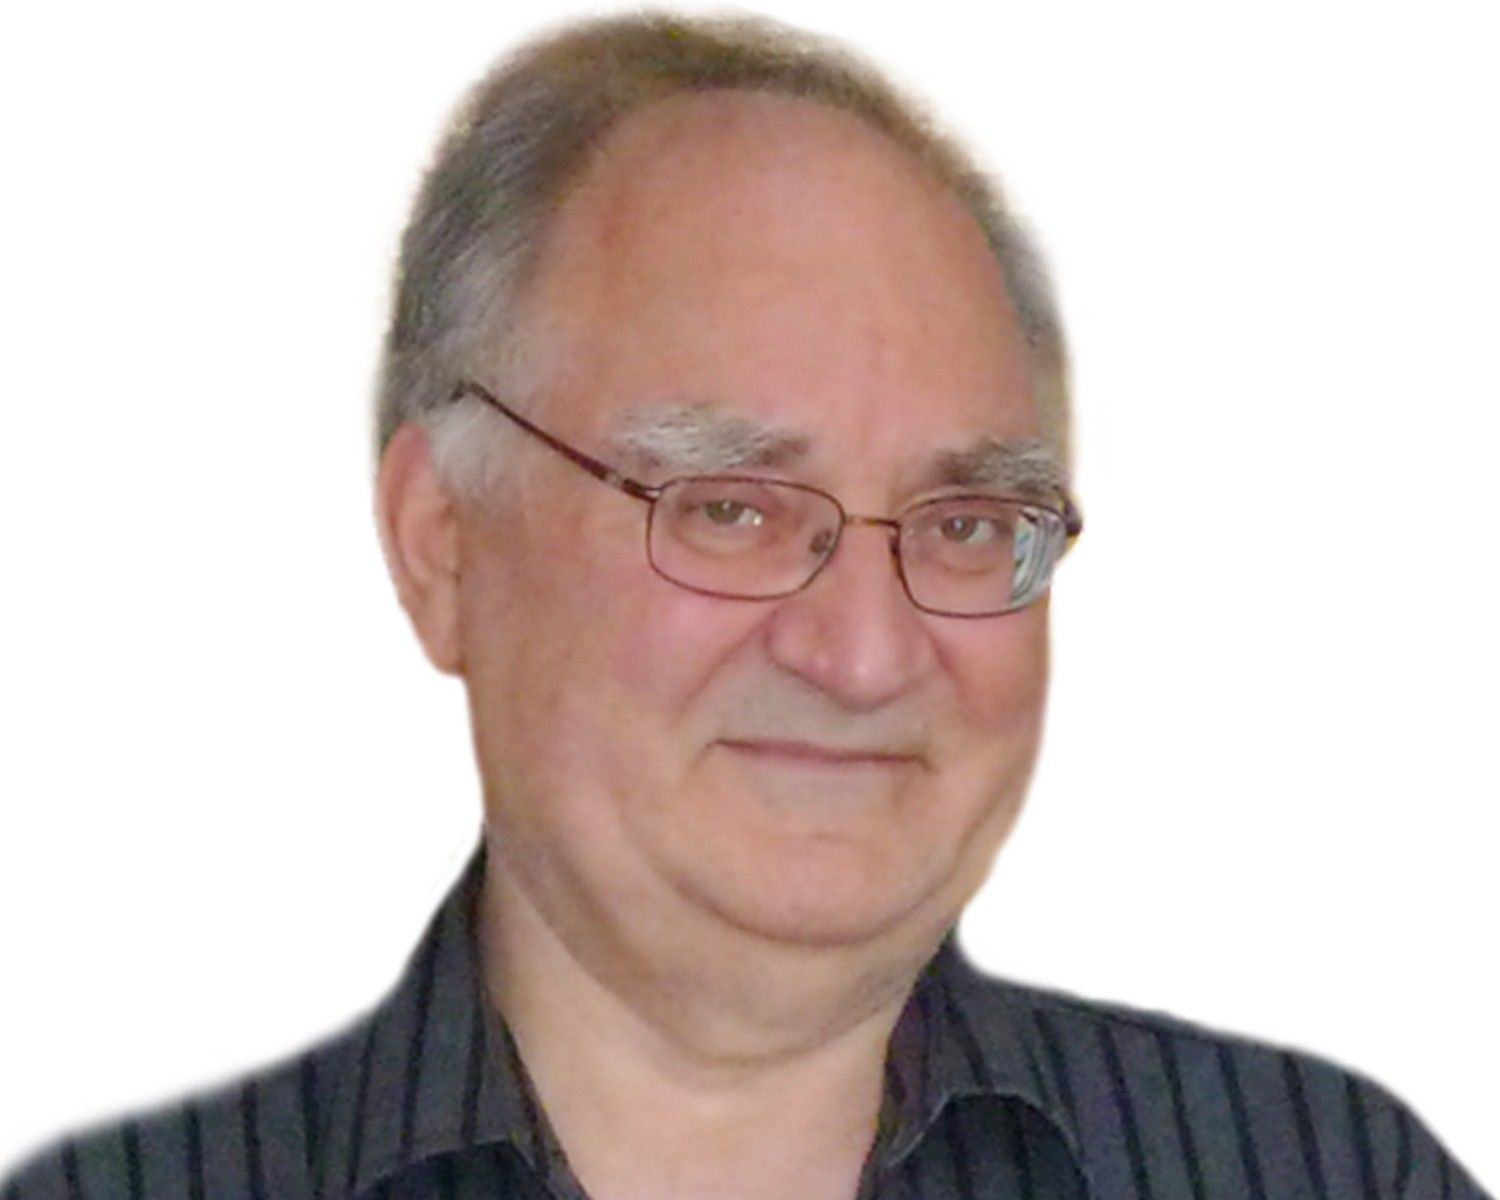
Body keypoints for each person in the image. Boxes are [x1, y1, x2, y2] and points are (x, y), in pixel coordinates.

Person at [2, 12, 1491, 1200]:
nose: (864, 654)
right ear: (441, 545)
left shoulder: (1320, 1173)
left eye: (967, 525)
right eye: (729, 507)